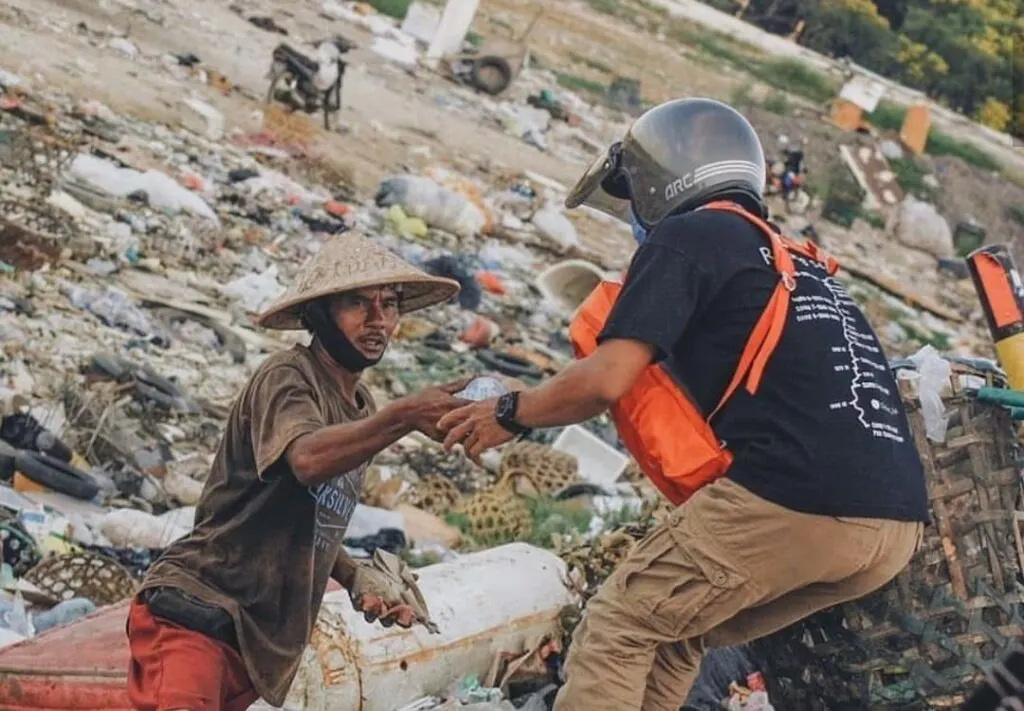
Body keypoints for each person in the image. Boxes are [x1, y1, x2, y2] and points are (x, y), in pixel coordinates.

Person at [438, 97, 929, 711]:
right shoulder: (793, 261)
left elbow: (606, 379)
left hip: (798, 498)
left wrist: (509, 411)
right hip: (892, 526)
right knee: (676, 636)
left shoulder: (694, 233)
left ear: (661, 180)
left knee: (619, 623)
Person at [126, 233, 471, 711]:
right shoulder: (288, 376)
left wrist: (354, 576)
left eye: (389, 305)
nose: (378, 321)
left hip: (255, 640)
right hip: (199, 611)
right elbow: (306, 460)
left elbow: (308, 522)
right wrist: (404, 415)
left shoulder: (359, 406)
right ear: (317, 314)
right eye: (357, 304)